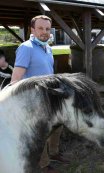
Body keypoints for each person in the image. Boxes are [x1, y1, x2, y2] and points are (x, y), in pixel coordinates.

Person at [11, 15, 69, 173]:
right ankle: (44, 165)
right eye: (40, 28)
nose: (44, 32)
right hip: (34, 99)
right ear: (32, 29)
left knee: (57, 125)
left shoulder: (47, 47)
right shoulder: (26, 48)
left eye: (47, 29)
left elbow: (48, 72)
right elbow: (15, 79)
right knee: (41, 133)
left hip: (50, 96)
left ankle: (54, 153)